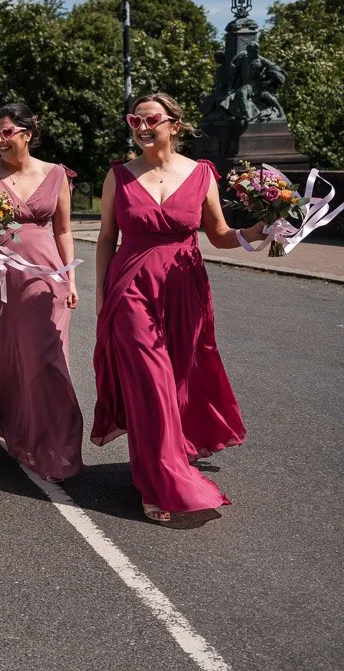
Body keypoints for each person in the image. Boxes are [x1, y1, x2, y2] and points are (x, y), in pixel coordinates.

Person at [93, 92, 266, 523]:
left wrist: (262, 230)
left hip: (185, 287)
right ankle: (159, 484)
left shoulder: (202, 174)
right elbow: (105, 238)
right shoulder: (118, 176)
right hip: (130, 285)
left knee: (178, 383)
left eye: (151, 118)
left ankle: (166, 458)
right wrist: (100, 296)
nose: (142, 126)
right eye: (135, 120)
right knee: (151, 384)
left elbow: (220, 234)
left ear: (174, 124)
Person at [0, 104, 83, 482]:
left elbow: (63, 231)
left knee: (47, 359)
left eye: (8, 132)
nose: (1, 140)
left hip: (44, 276)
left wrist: (70, 279)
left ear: (27, 133)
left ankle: (55, 442)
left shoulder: (56, 174)